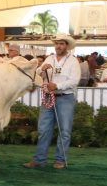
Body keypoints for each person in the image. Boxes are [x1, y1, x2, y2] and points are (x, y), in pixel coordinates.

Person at [24, 34, 80, 170]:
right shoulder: (49, 58)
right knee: (43, 129)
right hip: (49, 96)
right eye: (57, 43)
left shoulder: (73, 61)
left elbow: (74, 81)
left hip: (65, 97)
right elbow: (38, 73)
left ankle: (60, 160)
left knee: (64, 130)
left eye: (61, 44)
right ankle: (39, 159)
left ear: (67, 46)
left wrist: (57, 86)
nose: (58, 46)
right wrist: (41, 69)